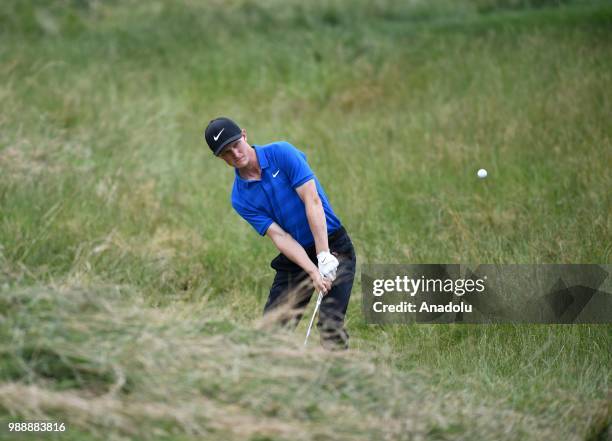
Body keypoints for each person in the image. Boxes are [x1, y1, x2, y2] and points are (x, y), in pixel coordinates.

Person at [204, 117, 356, 350]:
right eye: (226, 152)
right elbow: (281, 237)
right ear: (220, 158)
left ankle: (338, 380)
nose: (234, 153)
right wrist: (313, 271)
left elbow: (312, 201)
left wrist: (323, 254)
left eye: (235, 144)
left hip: (332, 243)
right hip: (294, 258)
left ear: (244, 135)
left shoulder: (282, 153)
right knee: (271, 334)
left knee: (330, 325)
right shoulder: (240, 198)